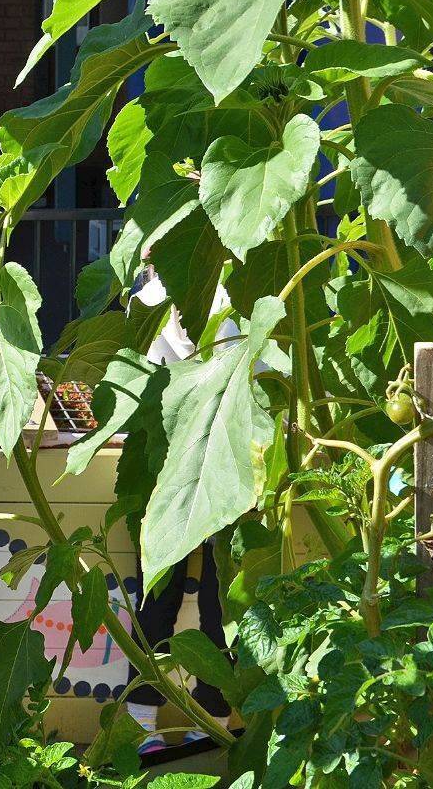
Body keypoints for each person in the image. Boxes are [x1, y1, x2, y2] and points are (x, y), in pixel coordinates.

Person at [125, 268, 236, 753]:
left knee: (170, 598)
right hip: (206, 458)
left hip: (175, 459)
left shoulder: (155, 293)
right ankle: (204, 720)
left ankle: (148, 722)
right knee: (214, 602)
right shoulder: (222, 288)